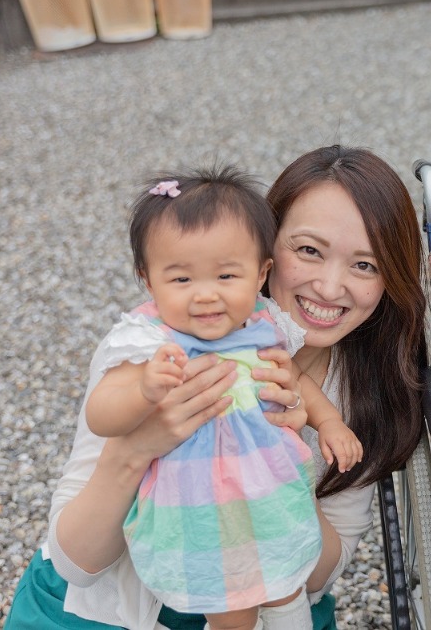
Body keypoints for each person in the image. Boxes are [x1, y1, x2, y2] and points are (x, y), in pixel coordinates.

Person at [6, 145, 426, 630]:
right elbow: (76, 565)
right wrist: (138, 446)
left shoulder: (368, 390)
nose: (330, 288)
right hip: (109, 608)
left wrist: (282, 464)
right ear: (267, 249)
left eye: (365, 265)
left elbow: (318, 578)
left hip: (263, 598)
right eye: (309, 251)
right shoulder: (151, 349)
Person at [81, 167, 363, 630]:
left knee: (287, 588)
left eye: (226, 275)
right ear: (148, 280)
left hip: (272, 496)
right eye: (181, 280)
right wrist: (142, 390)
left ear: (260, 273)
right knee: (232, 608)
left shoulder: (262, 326)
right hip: (199, 513)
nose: (206, 295)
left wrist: (329, 422)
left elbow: (296, 381)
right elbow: (101, 414)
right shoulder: (149, 342)